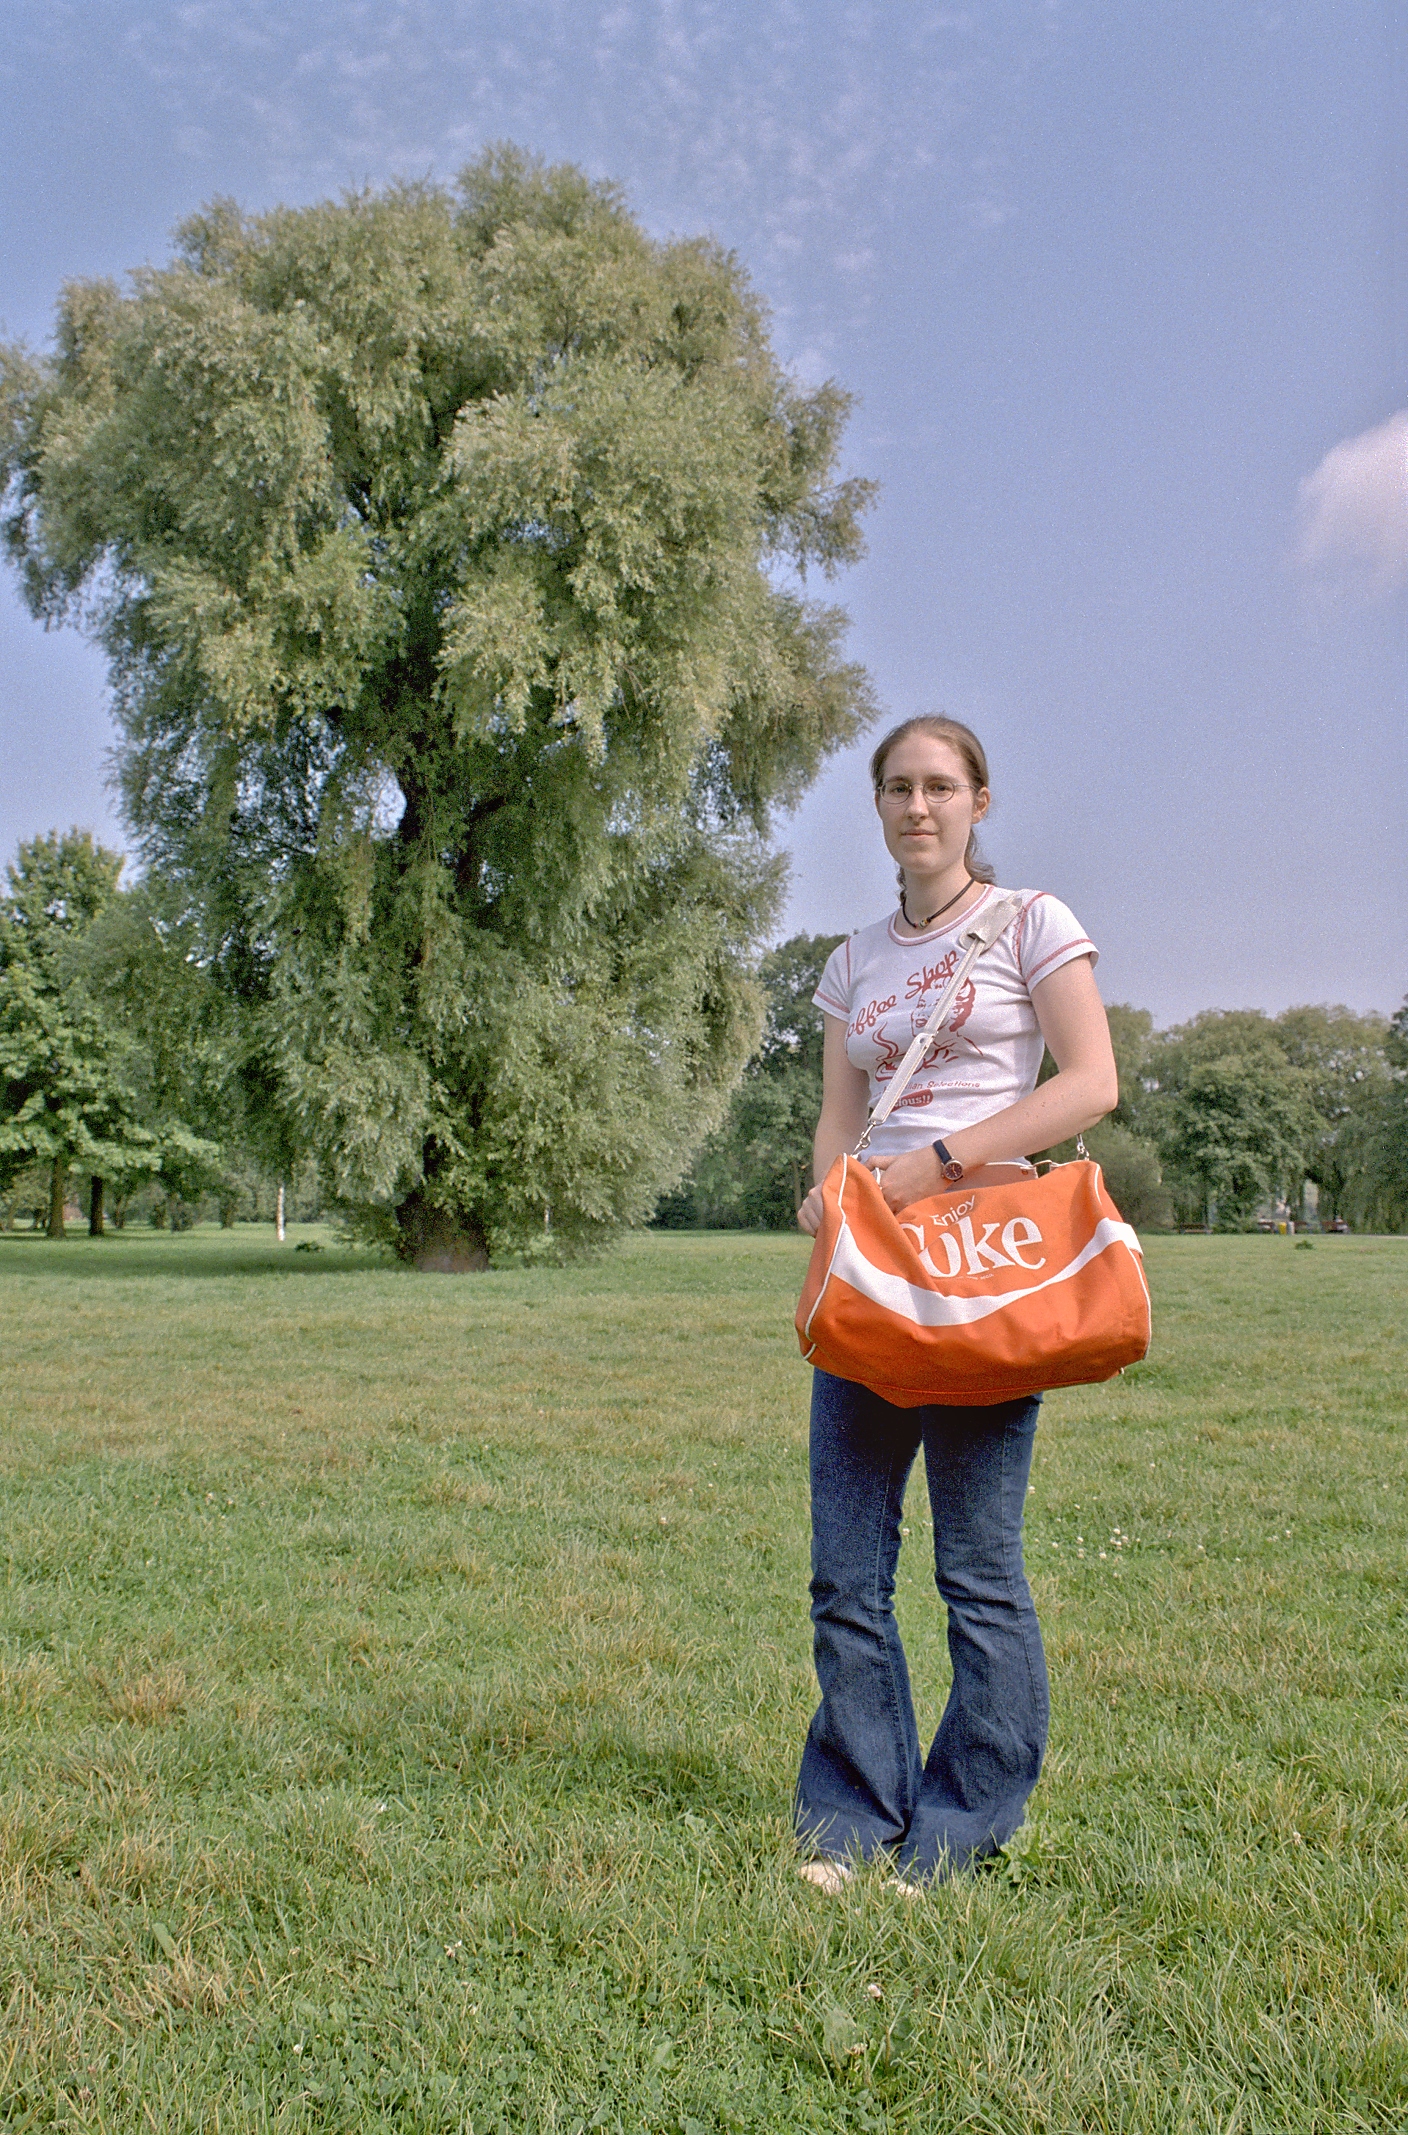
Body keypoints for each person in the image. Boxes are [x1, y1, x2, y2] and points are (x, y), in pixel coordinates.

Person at [794, 715, 1118, 1891]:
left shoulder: (1032, 921)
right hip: (875, 1266)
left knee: (975, 1565)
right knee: (845, 1563)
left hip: (985, 1256)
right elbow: (841, 1116)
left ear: (979, 800)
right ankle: (851, 1813)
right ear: (877, 807)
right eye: (895, 786)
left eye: (938, 785)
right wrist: (825, 1217)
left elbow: (1091, 1080)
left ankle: (960, 1822)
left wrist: (938, 1161)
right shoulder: (851, 960)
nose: (916, 805)